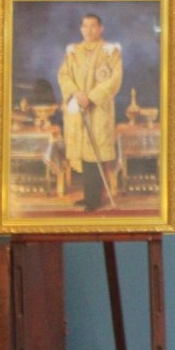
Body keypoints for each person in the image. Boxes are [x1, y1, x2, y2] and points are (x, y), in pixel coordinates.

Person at [57, 13, 123, 211]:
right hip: (78, 108)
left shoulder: (110, 51)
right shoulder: (73, 52)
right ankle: (88, 197)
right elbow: (63, 75)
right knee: (84, 155)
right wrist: (76, 93)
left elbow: (115, 79)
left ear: (101, 28)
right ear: (81, 29)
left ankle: (94, 200)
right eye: (85, 26)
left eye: (93, 26)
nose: (89, 30)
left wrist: (92, 97)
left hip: (98, 110)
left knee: (95, 154)